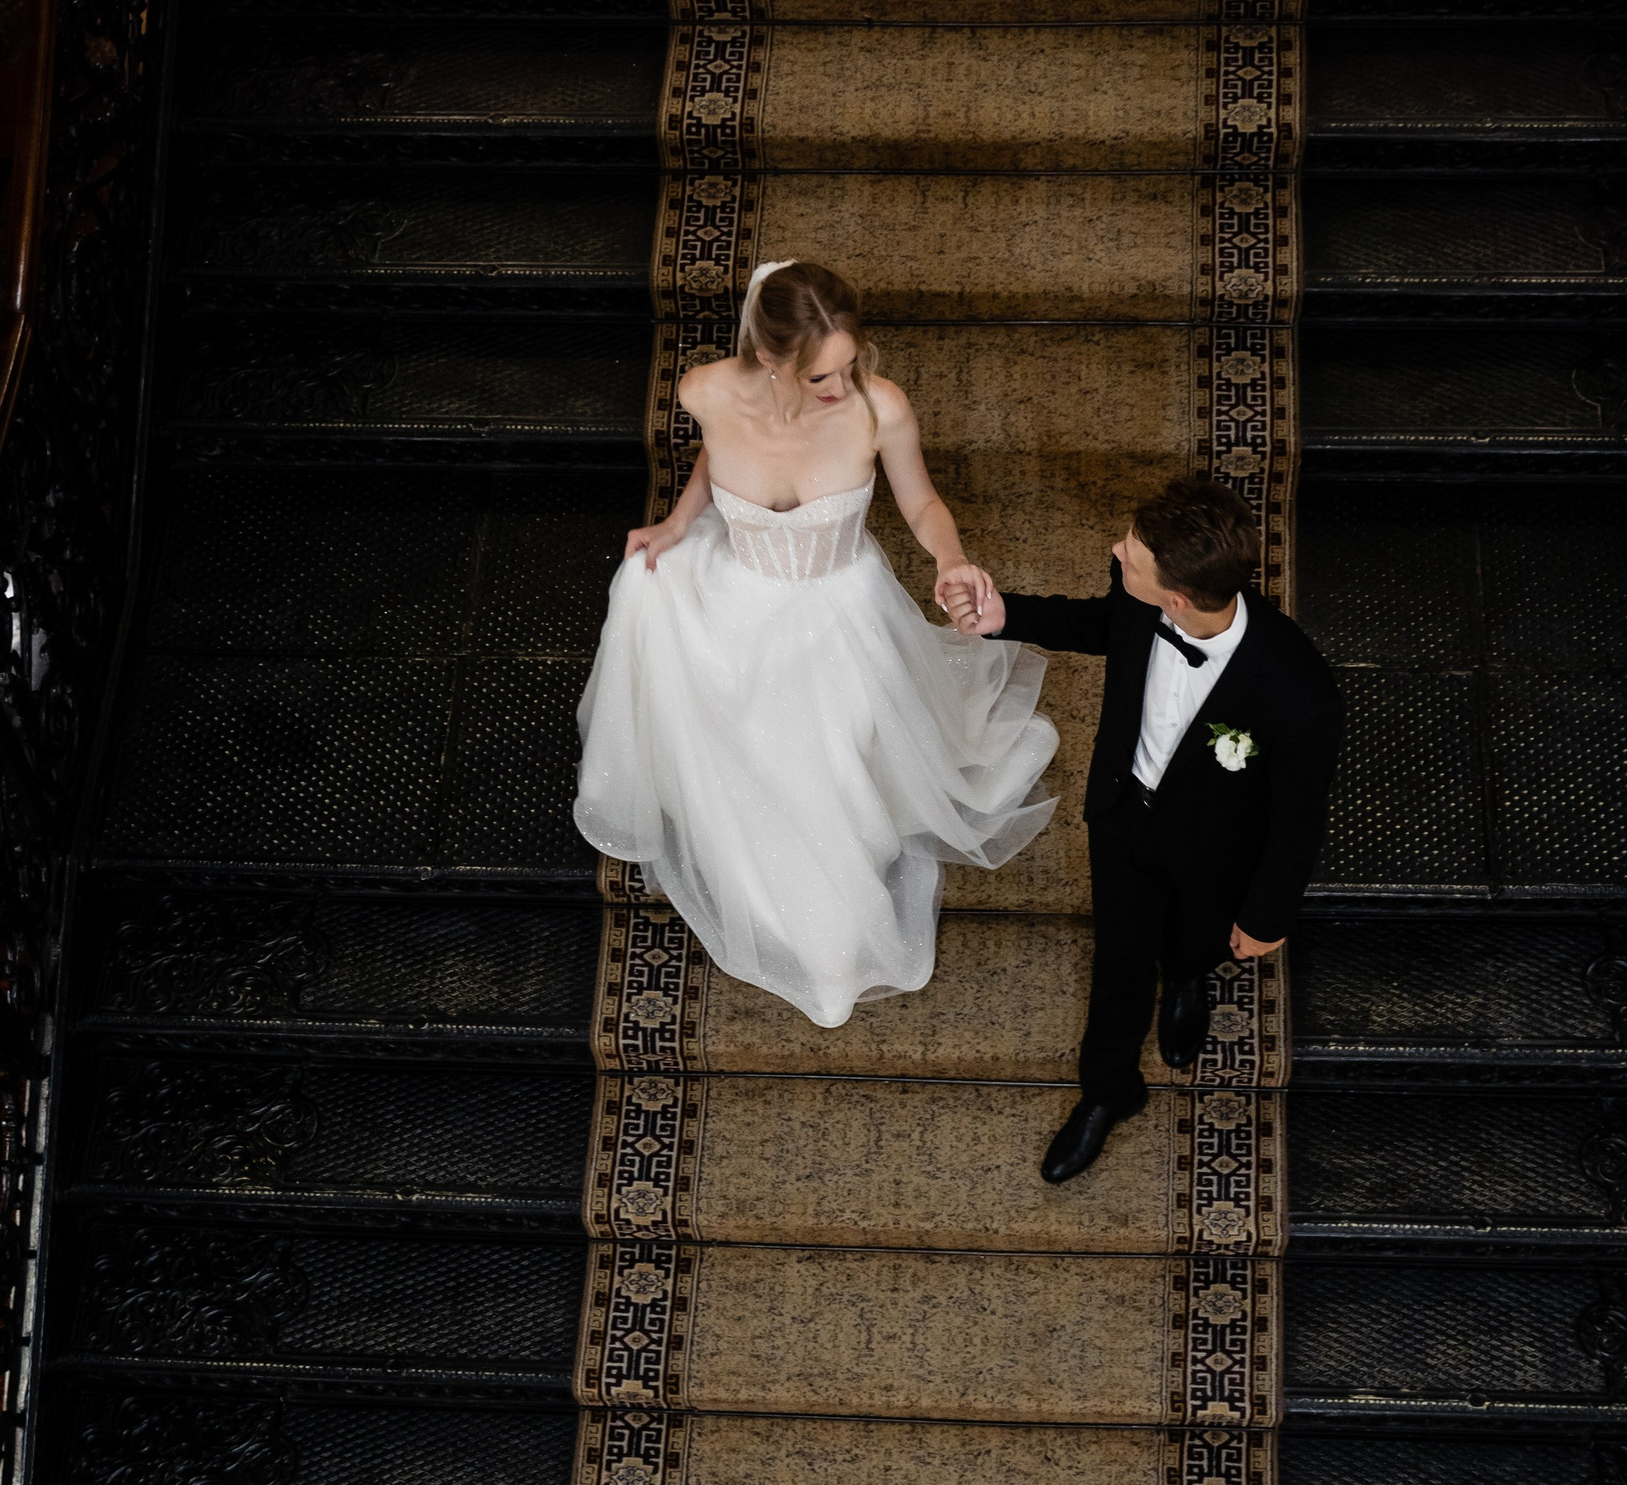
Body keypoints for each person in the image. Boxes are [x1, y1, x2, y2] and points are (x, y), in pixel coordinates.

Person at [573, 259, 1057, 1027]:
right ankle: (767, 885)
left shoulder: (879, 408)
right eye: (821, 376)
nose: (840, 386)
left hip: (841, 610)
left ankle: (833, 925)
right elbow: (715, 451)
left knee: (832, 754)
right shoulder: (705, 391)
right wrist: (676, 523)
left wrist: (950, 560)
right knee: (649, 596)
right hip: (737, 602)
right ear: (769, 359)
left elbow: (923, 503)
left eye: (848, 365)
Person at [946, 475, 1341, 1181]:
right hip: (1124, 817)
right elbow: (1106, 627)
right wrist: (1008, 614)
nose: (1115, 550)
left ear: (1178, 598)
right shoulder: (1138, 597)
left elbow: (1298, 821)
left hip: (1218, 852)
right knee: (1119, 963)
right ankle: (1109, 1091)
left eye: (1130, 552)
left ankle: (1186, 979)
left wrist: (1266, 916)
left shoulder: (1300, 694)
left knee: (1196, 940)